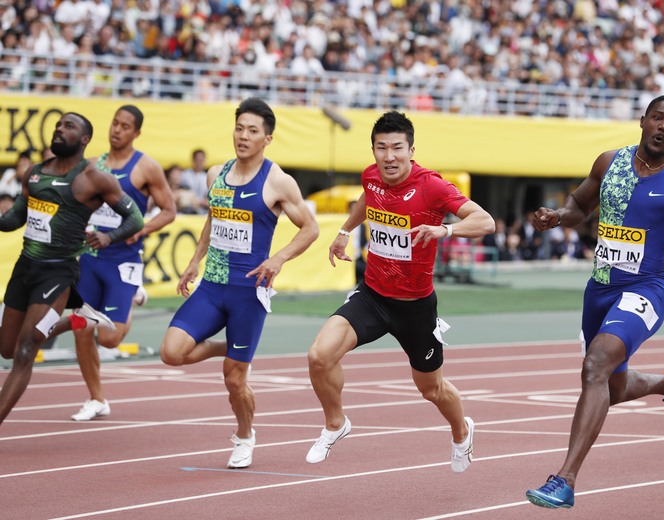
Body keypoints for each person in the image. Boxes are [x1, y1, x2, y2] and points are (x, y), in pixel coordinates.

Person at [525, 95, 664, 508]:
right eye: (658, 118)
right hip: (599, 290)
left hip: (645, 291)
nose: (663, 127)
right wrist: (557, 217)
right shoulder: (609, 163)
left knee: (595, 365)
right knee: (608, 385)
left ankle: (564, 481)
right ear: (642, 121)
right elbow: (580, 206)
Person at [305, 111, 495, 473]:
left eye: (396, 148)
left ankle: (461, 431)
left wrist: (446, 231)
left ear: (411, 150)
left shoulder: (432, 187)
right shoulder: (371, 175)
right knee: (319, 356)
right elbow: (368, 199)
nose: (388, 156)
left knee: (432, 389)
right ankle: (335, 423)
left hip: (415, 308)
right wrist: (345, 230)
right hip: (373, 296)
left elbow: (486, 221)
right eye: (381, 148)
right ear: (374, 150)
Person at [159, 98, 319, 469]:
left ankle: (245, 435)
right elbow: (214, 220)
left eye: (252, 131)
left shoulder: (278, 181)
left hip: (248, 292)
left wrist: (278, 258)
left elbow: (310, 228)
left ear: (268, 138)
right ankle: (224, 347)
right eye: (239, 128)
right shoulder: (217, 173)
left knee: (234, 380)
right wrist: (194, 262)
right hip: (213, 286)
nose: (243, 136)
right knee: (171, 352)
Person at [0, 112, 144, 426]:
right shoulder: (35, 174)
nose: (59, 130)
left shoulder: (94, 177)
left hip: (59, 273)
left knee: (26, 350)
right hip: (25, 268)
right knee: (7, 348)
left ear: (84, 139)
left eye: (69, 126)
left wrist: (108, 236)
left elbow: (135, 219)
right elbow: (13, 220)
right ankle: (76, 319)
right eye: (58, 125)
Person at [70, 105, 176, 422]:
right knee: (79, 327)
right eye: (115, 123)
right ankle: (96, 398)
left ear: (136, 133)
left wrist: (140, 229)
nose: (117, 129)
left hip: (124, 259)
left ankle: (132, 294)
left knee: (109, 338)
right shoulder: (91, 165)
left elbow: (169, 210)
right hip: (90, 256)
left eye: (125, 126)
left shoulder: (146, 167)